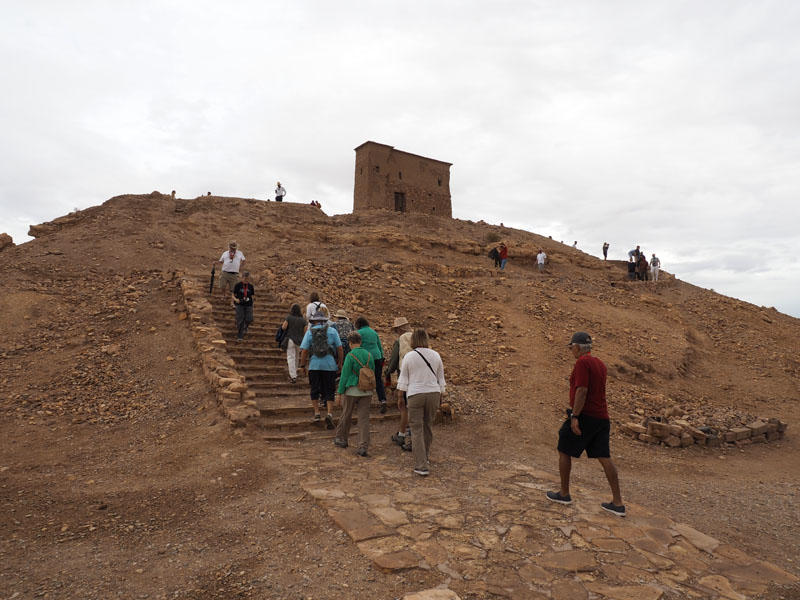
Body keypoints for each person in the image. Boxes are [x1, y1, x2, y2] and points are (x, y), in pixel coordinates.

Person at [546, 332, 625, 517]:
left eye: (571, 346)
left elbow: (582, 390)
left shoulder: (582, 362)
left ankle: (564, 494)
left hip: (585, 415)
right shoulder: (600, 364)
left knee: (564, 449)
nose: (570, 350)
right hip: (601, 417)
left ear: (578, 347)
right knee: (604, 457)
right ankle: (618, 503)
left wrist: (575, 416)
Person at [397, 328, 446, 477]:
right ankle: (426, 457)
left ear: (413, 340)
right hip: (433, 393)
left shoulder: (409, 356)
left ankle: (421, 464)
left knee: (416, 429)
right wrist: (441, 394)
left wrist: (400, 396)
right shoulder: (436, 355)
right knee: (427, 426)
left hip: (415, 394)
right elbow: (441, 378)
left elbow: (403, 379)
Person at [333, 331, 375, 457]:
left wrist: (339, 393)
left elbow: (344, 376)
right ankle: (363, 446)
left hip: (351, 390)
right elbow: (372, 372)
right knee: (364, 419)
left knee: (346, 415)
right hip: (366, 391)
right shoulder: (369, 355)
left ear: (350, 343)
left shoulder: (350, 356)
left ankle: (342, 438)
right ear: (360, 342)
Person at [298, 311, 343, 428]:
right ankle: (329, 413)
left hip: (314, 365)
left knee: (314, 389)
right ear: (325, 320)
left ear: (313, 321)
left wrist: (302, 366)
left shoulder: (309, 332)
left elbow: (304, 351)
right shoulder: (332, 331)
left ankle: (317, 412)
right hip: (330, 365)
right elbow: (340, 348)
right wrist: (340, 363)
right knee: (329, 390)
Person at [384, 316, 413, 451]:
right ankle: (412, 434)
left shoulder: (399, 341)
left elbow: (394, 361)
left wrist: (388, 372)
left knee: (404, 407)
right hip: (421, 377)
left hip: (405, 375)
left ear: (400, 329)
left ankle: (402, 434)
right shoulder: (417, 337)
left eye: (396, 330)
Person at [354, 316, 387, 414]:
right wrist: (382, 358)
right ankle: (383, 400)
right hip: (377, 357)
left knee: (362, 379)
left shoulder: (358, 333)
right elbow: (379, 346)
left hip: (365, 358)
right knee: (378, 379)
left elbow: (356, 347)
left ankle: (362, 402)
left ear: (358, 325)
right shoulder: (373, 332)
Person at [281, 303, 307, 383]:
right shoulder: (303, 320)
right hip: (300, 341)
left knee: (290, 357)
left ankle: (293, 376)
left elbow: (283, 327)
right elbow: (306, 331)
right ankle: (294, 373)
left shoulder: (289, 318)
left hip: (291, 339)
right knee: (296, 357)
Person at [232, 271, 254, 341]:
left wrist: (253, 301)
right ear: (242, 278)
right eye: (245, 278)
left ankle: (245, 327)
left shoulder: (251, 286)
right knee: (240, 320)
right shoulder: (238, 285)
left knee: (249, 318)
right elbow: (232, 295)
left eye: (247, 278)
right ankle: (240, 336)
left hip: (249, 305)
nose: (246, 280)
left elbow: (253, 295)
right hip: (239, 305)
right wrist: (236, 300)